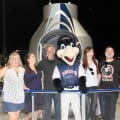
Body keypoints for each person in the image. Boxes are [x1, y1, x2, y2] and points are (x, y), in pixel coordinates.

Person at [0, 51, 28, 120]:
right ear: (10, 60)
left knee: (16, 118)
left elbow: (22, 81)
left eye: (17, 58)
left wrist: (24, 87)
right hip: (9, 98)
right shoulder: (6, 69)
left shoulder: (22, 70)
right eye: (14, 59)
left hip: (20, 97)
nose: (16, 60)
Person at [37, 44, 61, 120]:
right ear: (46, 52)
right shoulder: (42, 62)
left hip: (57, 90)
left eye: (51, 51)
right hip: (47, 89)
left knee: (58, 110)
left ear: (54, 51)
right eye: (48, 51)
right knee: (47, 110)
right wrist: (40, 77)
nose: (49, 52)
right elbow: (35, 71)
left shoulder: (59, 62)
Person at [98, 46, 120, 120]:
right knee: (103, 111)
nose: (109, 52)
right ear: (105, 53)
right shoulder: (100, 64)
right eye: (107, 51)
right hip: (102, 91)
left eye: (111, 51)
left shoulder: (117, 63)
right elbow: (98, 76)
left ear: (113, 53)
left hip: (114, 91)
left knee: (111, 110)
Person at [80, 46, 101, 120]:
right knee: (87, 107)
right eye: (88, 52)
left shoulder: (96, 61)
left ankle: (92, 118)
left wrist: (97, 83)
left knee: (93, 107)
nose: (90, 53)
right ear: (86, 53)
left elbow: (98, 74)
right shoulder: (82, 63)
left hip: (95, 86)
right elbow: (81, 76)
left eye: (92, 52)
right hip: (86, 87)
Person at [23, 53, 43, 120]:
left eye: (34, 56)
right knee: (35, 111)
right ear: (28, 60)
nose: (35, 57)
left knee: (39, 111)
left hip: (39, 92)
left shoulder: (37, 67)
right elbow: (20, 79)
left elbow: (40, 78)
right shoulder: (25, 69)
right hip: (30, 93)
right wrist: (24, 86)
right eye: (33, 56)